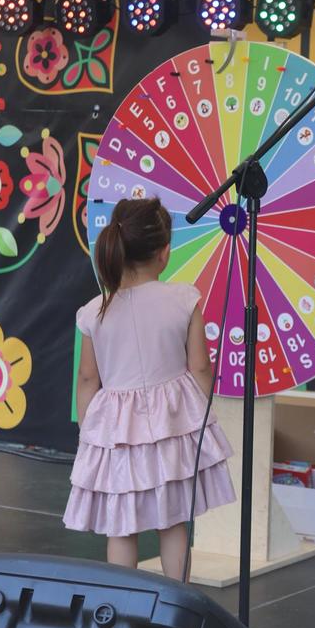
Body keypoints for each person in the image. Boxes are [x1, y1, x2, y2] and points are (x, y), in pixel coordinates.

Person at [63, 196, 235, 580]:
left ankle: (123, 601)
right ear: (164, 252)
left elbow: (88, 378)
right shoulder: (184, 299)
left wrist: (89, 429)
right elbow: (200, 366)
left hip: (117, 432)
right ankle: (179, 598)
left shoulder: (94, 311)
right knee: (173, 521)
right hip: (170, 425)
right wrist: (200, 412)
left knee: (121, 525)